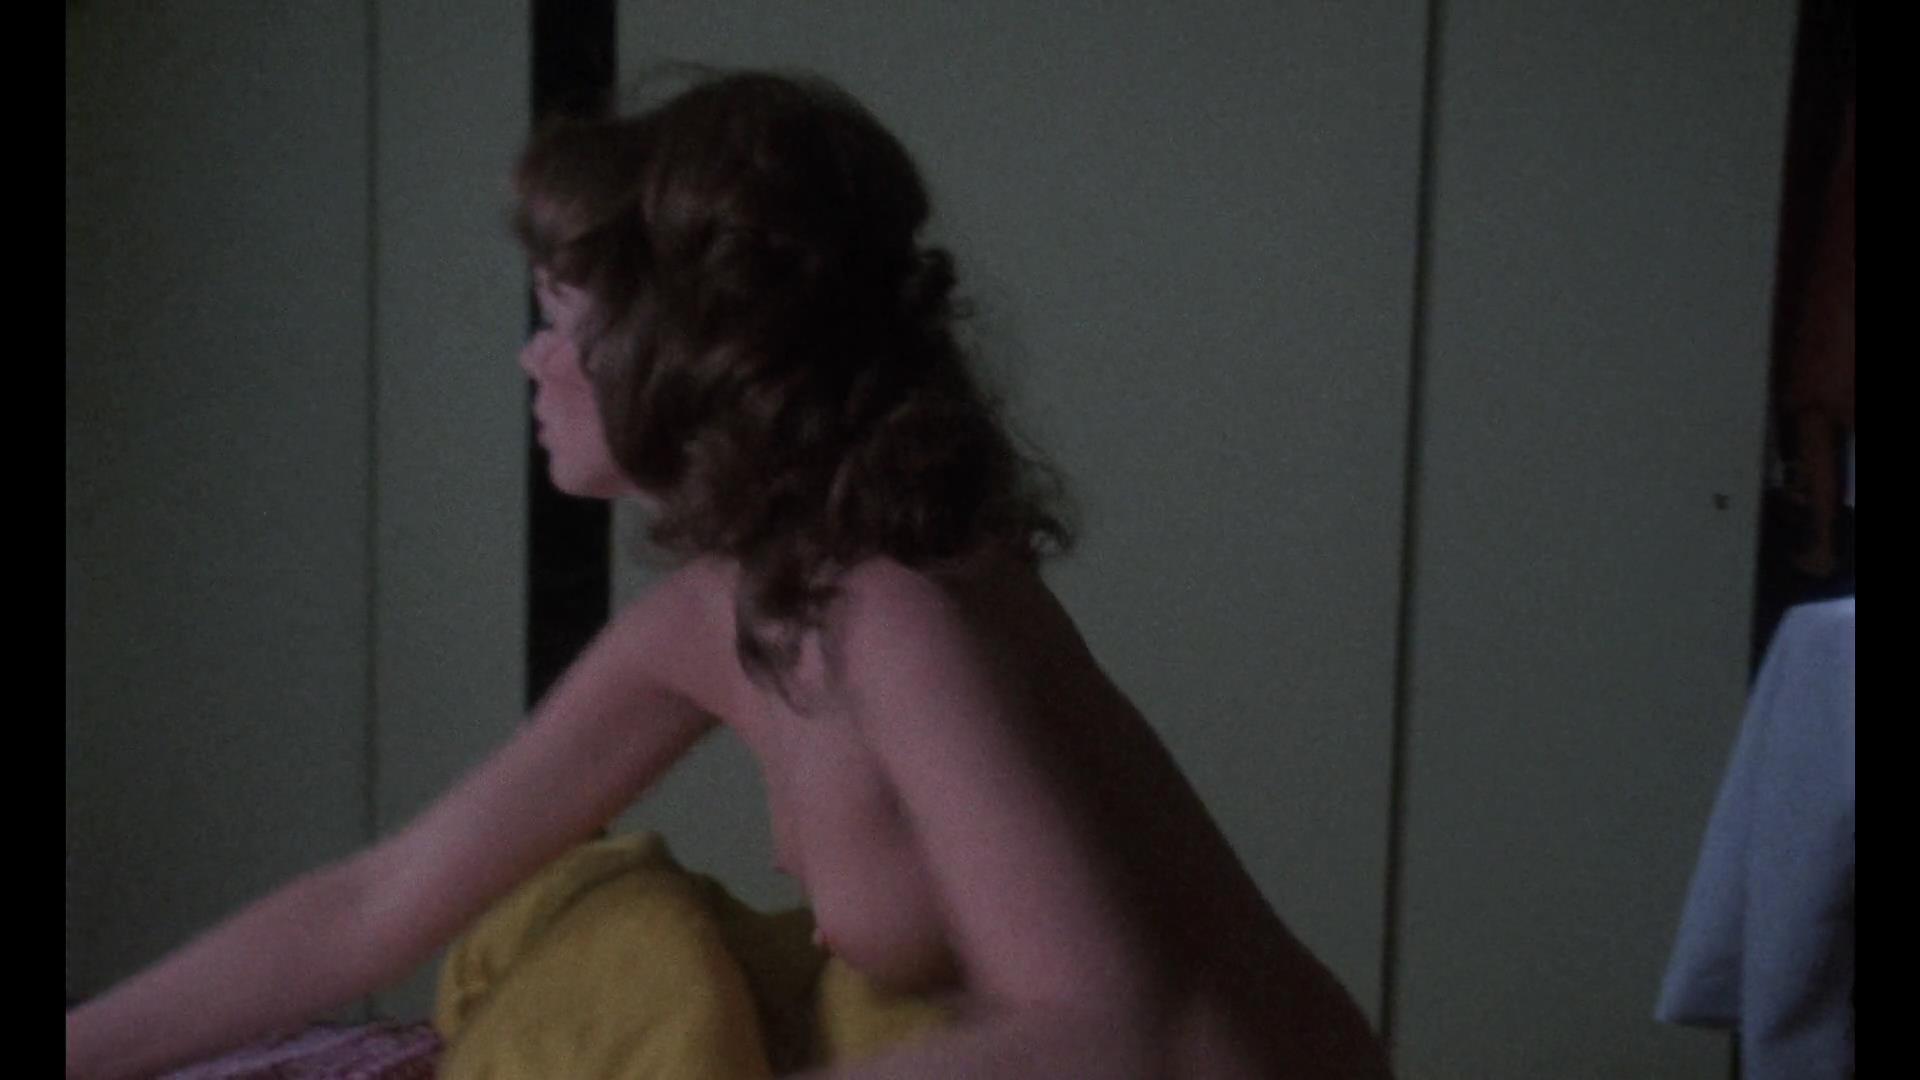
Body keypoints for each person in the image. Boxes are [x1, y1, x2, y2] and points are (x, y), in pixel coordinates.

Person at [66, 69, 1389, 1079]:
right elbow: (378, 901)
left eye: (562, 322)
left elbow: (1102, 1027)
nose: (531, 360)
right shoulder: (720, 614)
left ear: (683, 354)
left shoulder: (895, 609)